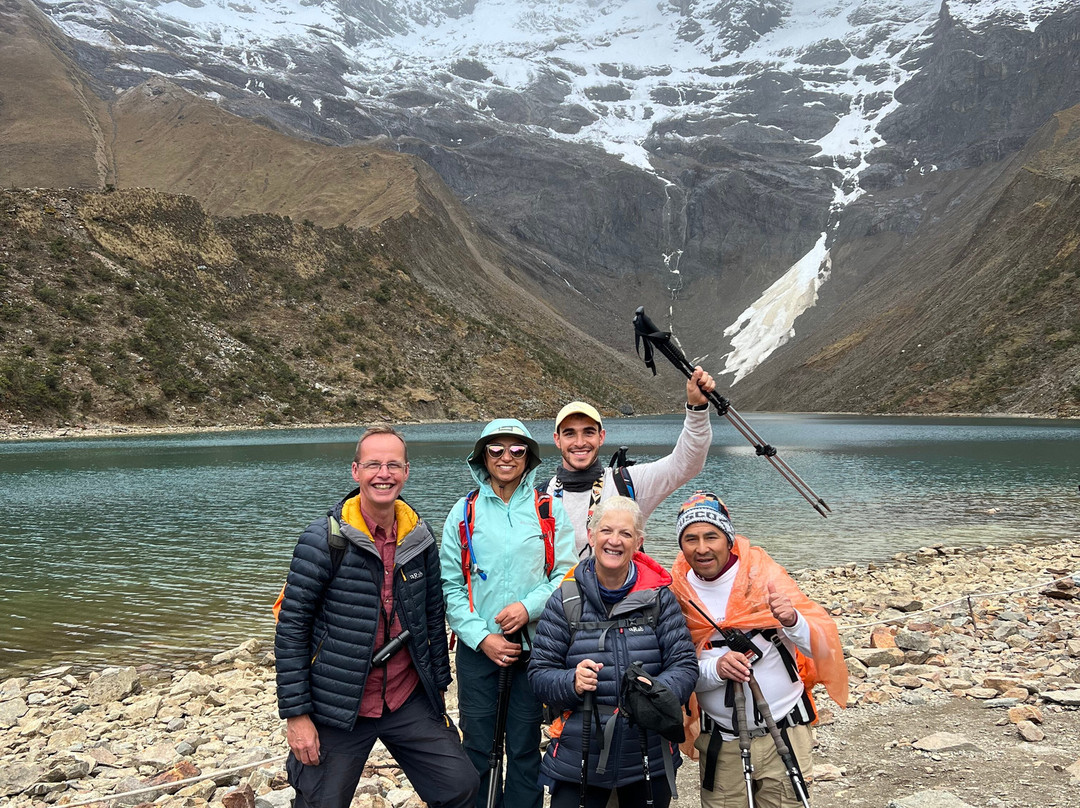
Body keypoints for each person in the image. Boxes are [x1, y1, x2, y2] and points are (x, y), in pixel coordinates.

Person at [275, 426, 479, 808]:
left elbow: (432, 617)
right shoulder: (323, 539)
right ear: (356, 471)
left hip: (406, 697)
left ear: (406, 472)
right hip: (339, 703)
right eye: (373, 464)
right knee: (319, 802)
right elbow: (291, 630)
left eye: (393, 465)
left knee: (461, 785)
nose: (383, 474)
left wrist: (437, 688)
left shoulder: (420, 537)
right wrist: (297, 715)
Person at [668, 492, 848, 808]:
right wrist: (716, 669)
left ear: (728, 539)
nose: (702, 548)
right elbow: (678, 674)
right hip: (722, 741)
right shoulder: (675, 593)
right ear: (681, 545)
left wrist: (792, 620)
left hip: (786, 731)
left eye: (711, 536)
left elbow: (821, 649)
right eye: (691, 539)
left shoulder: (764, 576)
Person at [528, 496, 698, 808]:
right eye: (606, 531)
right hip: (579, 755)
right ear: (591, 536)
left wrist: (658, 692)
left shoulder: (659, 598)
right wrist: (572, 682)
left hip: (648, 753)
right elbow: (539, 674)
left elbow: (685, 664)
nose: (614, 541)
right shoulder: (565, 600)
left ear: (639, 542)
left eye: (626, 534)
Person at [441, 419, 576, 808]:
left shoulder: (548, 510)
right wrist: (482, 637)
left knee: (523, 745)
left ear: (528, 457)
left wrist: (527, 608)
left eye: (516, 449)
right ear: (482, 456)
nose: (506, 457)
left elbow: (565, 575)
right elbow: (450, 585)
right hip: (477, 652)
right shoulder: (463, 511)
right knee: (477, 744)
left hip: (533, 650)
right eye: (496, 449)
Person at [545, 366, 716, 557]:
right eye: (569, 434)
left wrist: (697, 410)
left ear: (601, 437)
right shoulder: (541, 496)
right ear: (557, 440)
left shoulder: (628, 483)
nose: (580, 442)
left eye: (588, 432)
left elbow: (686, 464)